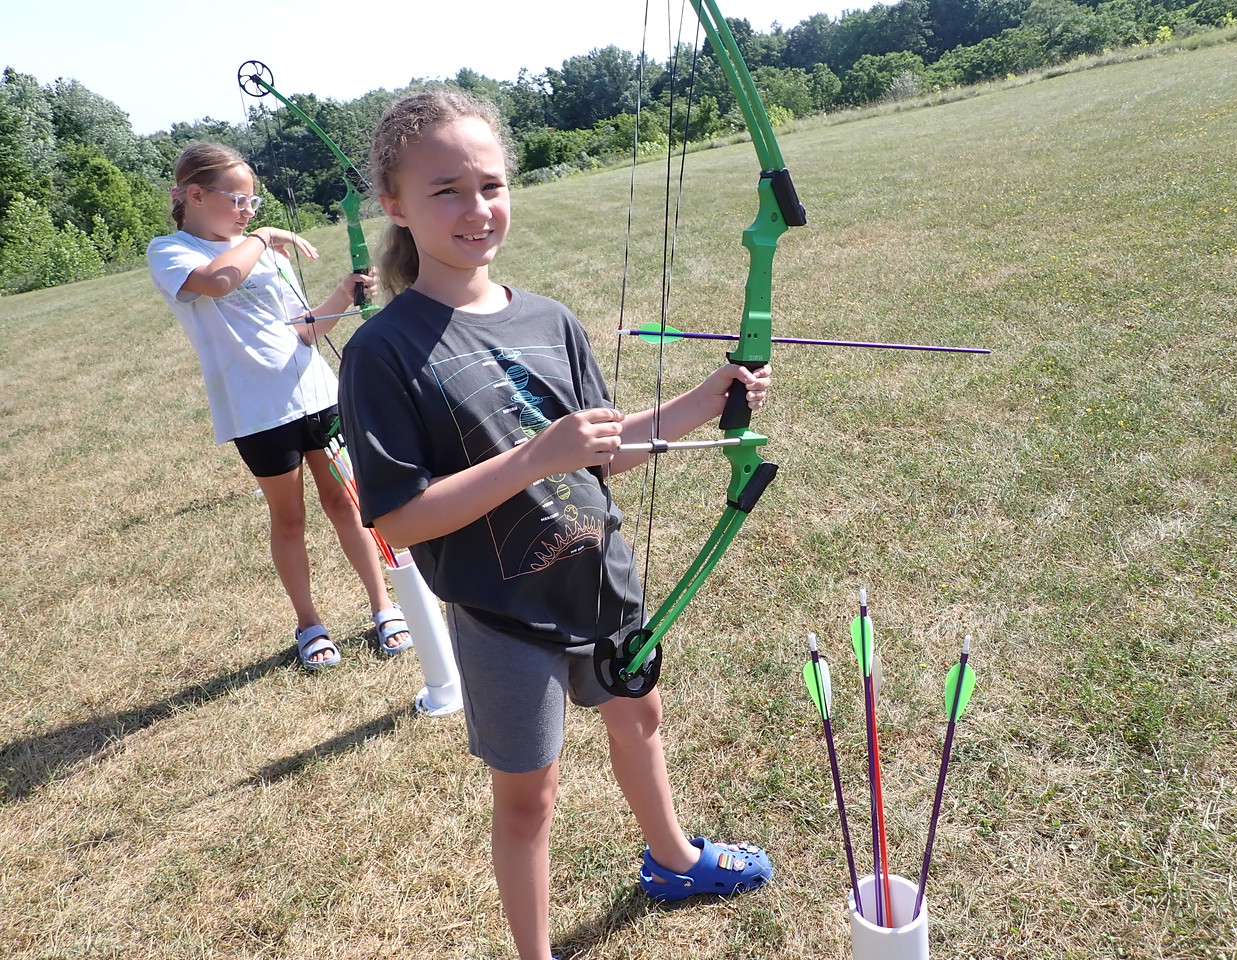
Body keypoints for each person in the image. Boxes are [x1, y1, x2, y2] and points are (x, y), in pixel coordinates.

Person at [337, 90, 774, 960]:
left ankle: (674, 858)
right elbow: (401, 517)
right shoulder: (382, 350)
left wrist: (708, 397)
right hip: (504, 615)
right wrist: (535, 459)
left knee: (639, 721)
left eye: (491, 185)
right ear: (394, 204)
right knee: (528, 795)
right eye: (447, 190)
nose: (477, 209)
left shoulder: (549, 319)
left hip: (600, 580)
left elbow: (604, 450)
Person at [147, 142, 413, 670]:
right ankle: (310, 624)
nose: (248, 213)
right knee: (288, 519)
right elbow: (218, 283)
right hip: (256, 412)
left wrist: (343, 293)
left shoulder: (262, 252)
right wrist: (264, 236)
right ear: (195, 195)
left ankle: (384, 608)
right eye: (239, 201)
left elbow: (304, 331)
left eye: (254, 204)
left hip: (318, 395)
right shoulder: (172, 251)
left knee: (350, 505)